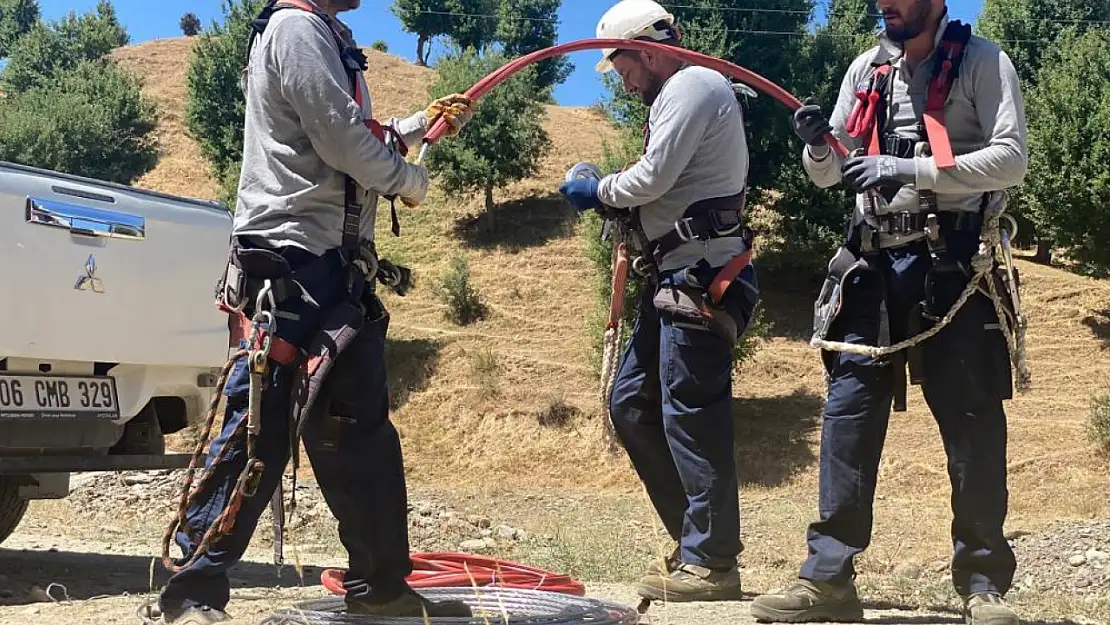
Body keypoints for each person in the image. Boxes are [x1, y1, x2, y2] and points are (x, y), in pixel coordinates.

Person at [136, 1, 476, 623]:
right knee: (258, 427)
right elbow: (340, 138)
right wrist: (412, 181)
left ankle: (381, 588)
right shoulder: (296, 30)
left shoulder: (320, 36)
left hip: (331, 270)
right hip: (291, 265)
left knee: (359, 436)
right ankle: (189, 590)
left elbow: (350, 131)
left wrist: (421, 125)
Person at [749, 1, 1027, 624]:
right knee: (847, 416)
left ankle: (982, 584)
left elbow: (1011, 157)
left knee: (973, 423)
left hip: (955, 264)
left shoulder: (982, 62)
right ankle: (828, 579)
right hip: (871, 266)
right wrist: (819, 148)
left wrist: (908, 167)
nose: (884, 5)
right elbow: (831, 173)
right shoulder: (865, 70)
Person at [558, 0, 760, 603]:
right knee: (630, 404)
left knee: (691, 412)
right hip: (677, 276)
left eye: (622, 67)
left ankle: (712, 562)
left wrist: (597, 190)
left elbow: (650, 180)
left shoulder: (693, 85)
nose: (624, 81)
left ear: (646, 48)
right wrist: (612, 192)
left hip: (701, 275)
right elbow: (657, 180)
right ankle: (694, 546)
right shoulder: (683, 94)